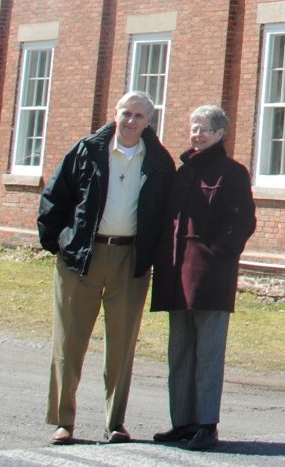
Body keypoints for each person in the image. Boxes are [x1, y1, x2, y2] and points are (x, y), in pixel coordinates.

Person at [38, 91, 175, 445]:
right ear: (115, 115)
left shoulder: (159, 162)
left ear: (149, 121)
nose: (131, 121)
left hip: (130, 260)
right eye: (126, 113)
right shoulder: (87, 150)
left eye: (139, 116)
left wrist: (154, 258)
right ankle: (63, 421)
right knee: (69, 341)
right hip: (81, 257)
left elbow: (164, 215)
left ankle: (115, 423)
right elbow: (55, 197)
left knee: (122, 344)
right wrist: (58, 244)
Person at [150, 104, 256, 452]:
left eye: (205, 129)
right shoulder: (182, 173)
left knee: (208, 352)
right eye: (194, 127)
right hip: (176, 274)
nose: (197, 134)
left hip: (210, 276)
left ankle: (206, 424)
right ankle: (183, 422)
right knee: (180, 350)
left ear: (220, 133)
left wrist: (217, 256)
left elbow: (241, 224)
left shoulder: (232, 173)